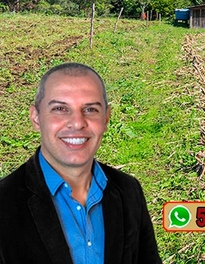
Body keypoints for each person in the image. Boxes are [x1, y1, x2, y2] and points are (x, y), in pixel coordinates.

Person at [0, 62, 162, 264]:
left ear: (106, 119)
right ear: (36, 117)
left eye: (91, 109)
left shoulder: (129, 191)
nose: (77, 123)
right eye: (60, 108)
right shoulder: (4, 202)